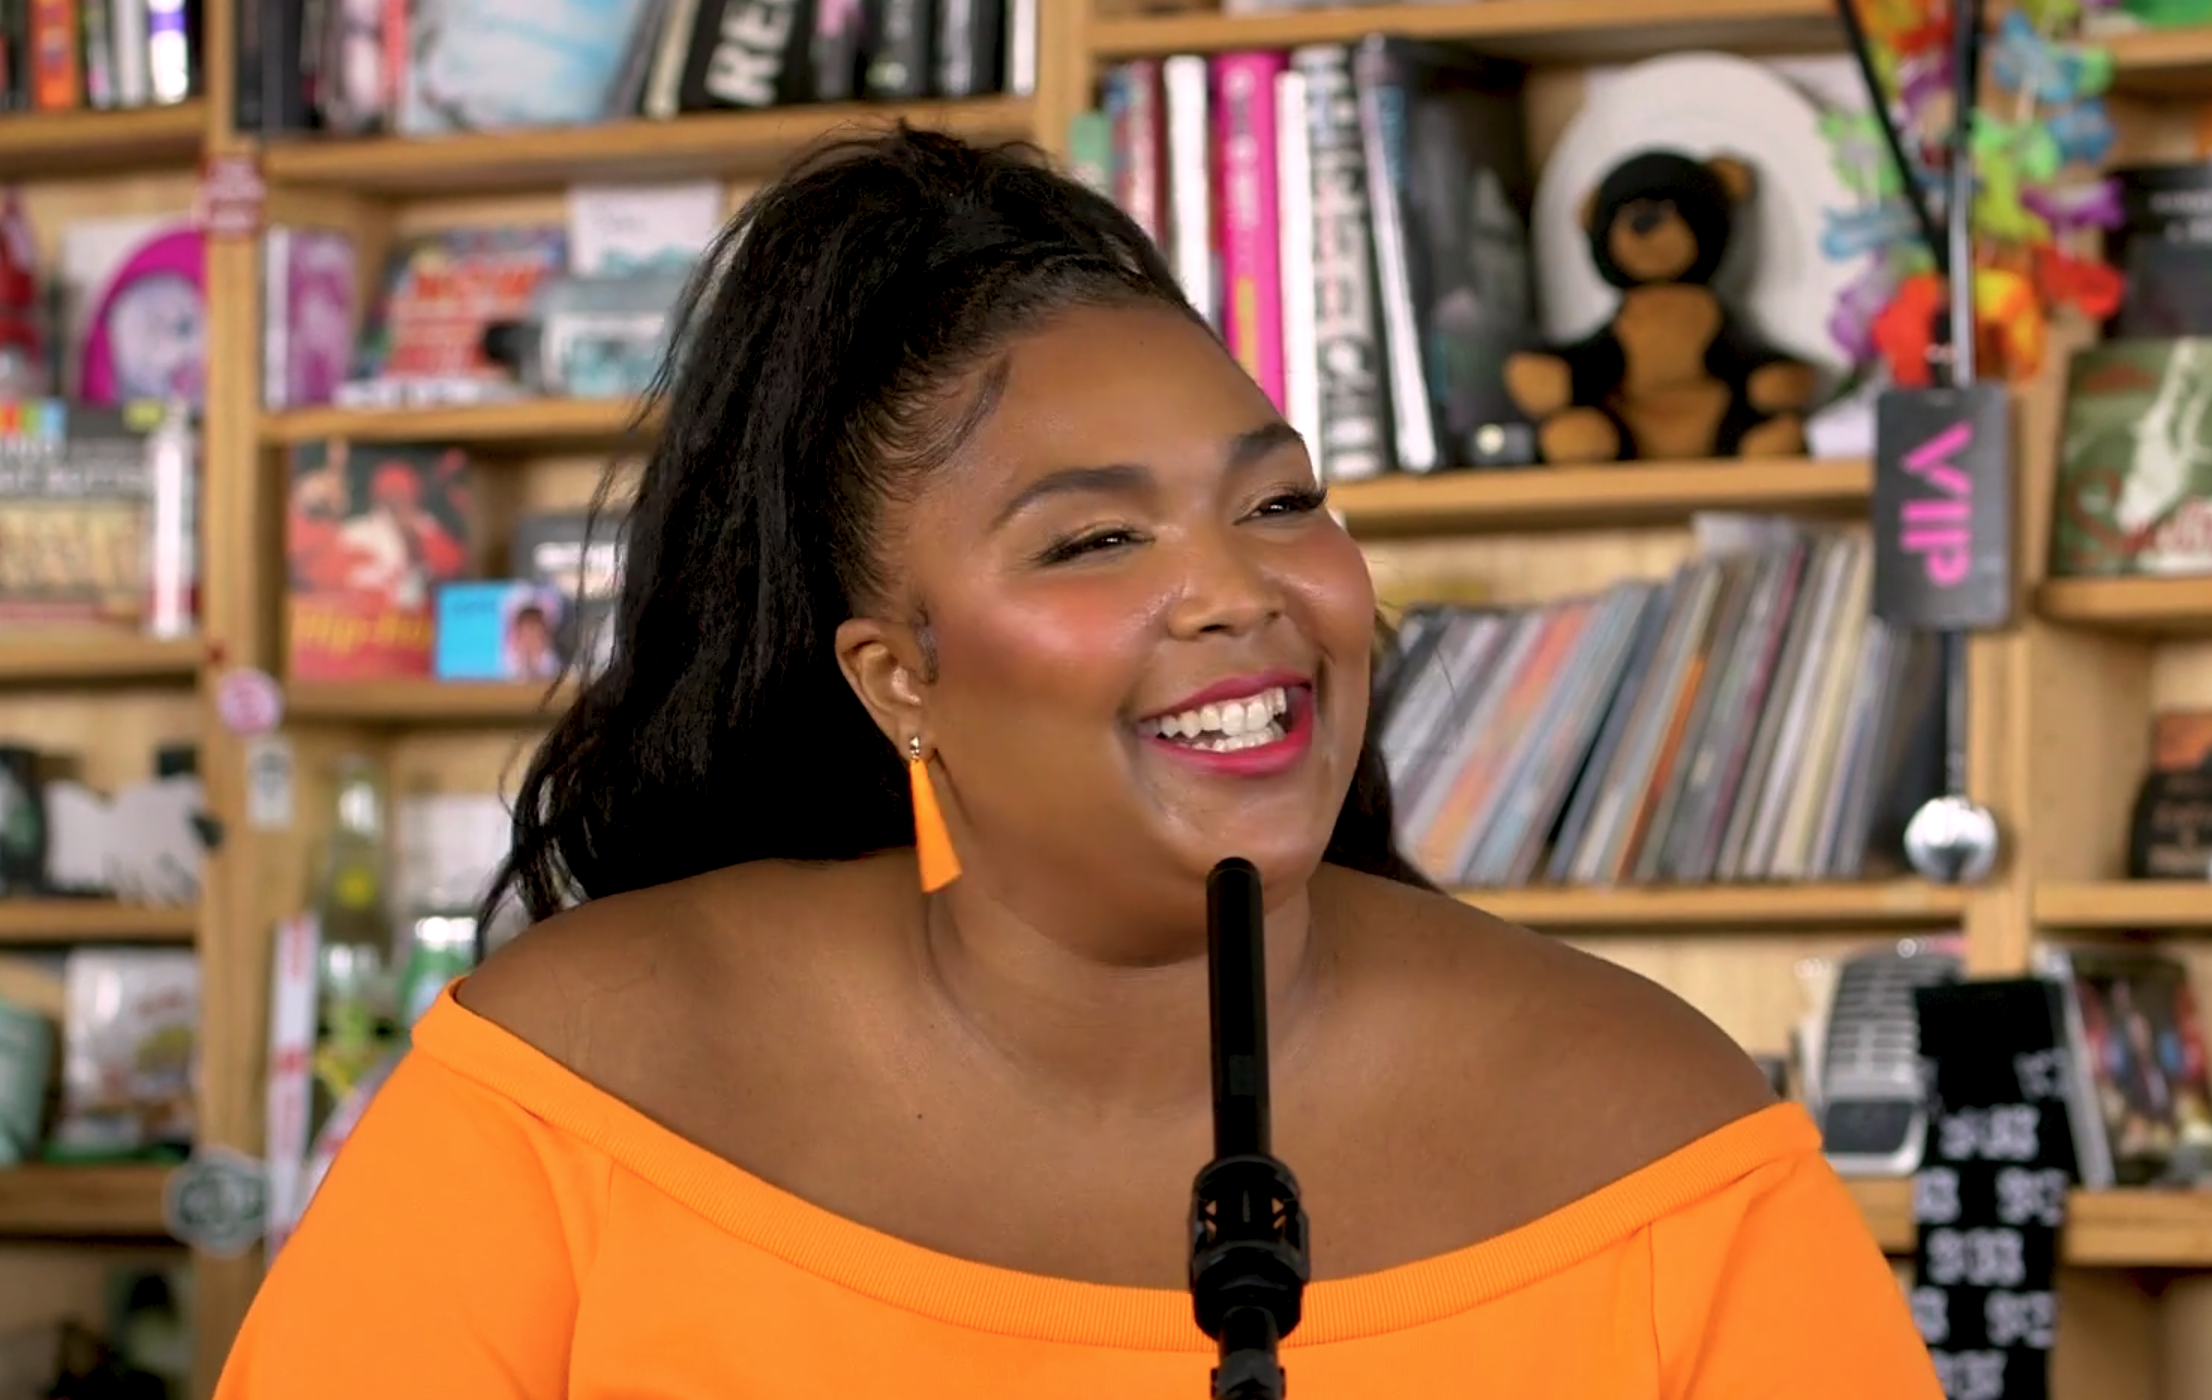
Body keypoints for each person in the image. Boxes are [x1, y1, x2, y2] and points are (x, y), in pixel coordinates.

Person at [213, 125, 1941, 1397]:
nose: (1240, 592)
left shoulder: (1665, 1137)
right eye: (1094, 542)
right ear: (899, 679)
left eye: (1279, 503)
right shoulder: (565, 1092)